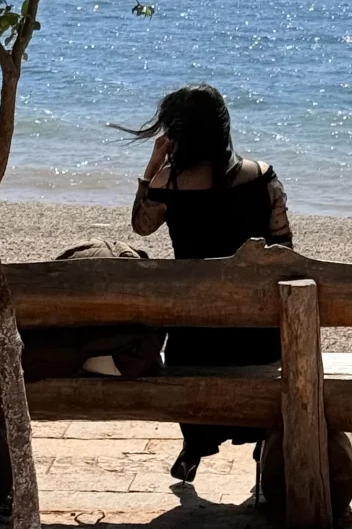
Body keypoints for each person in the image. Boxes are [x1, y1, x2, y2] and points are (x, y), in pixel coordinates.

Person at [122, 83, 293, 483]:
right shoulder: (263, 177)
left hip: (193, 336)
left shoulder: (169, 183)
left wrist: (151, 168)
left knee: (185, 356)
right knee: (255, 355)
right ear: (222, 127)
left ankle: (195, 442)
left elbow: (140, 226)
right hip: (256, 333)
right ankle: (264, 435)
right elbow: (283, 247)